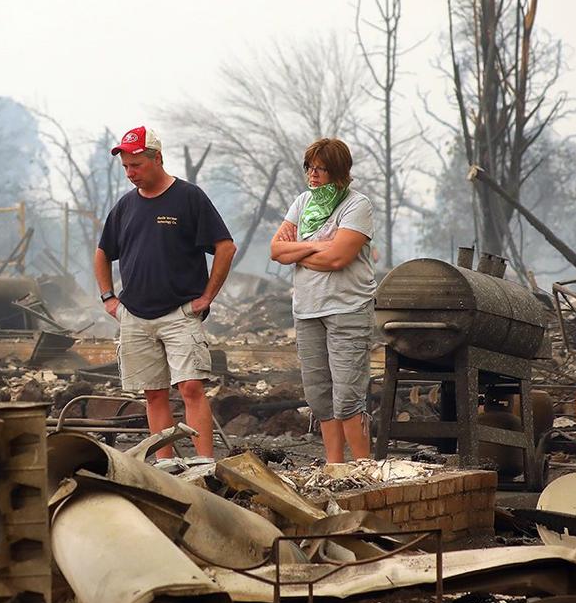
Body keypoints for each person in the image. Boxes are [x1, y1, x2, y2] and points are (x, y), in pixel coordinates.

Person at [95, 126, 236, 459]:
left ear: (157, 158)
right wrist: (108, 298)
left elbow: (225, 247)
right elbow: (103, 252)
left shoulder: (189, 197)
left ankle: (203, 465)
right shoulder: (125, 206)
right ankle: (166, 466)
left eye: (137, 165)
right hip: (135, 315)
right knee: (154, 395)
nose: (130, 173)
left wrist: (206, 298)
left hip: (180, 312)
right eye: (126, 167)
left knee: (190, 387)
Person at [269, 138, 378, 465]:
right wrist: (318, 248)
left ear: (339, 171)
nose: (313, 175)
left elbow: (338, 259)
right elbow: (276, 251)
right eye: (309, 168)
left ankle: (363, 470)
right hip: (307, 310)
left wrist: (299, 252)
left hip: (347, 308)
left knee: (347, 398)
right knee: (320, 398)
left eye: (321, 169)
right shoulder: (302, 203)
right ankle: (335, 466)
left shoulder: (356, 206)